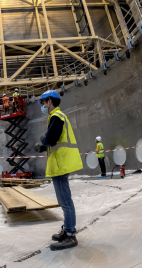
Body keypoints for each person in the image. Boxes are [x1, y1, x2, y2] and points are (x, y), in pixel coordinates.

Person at [34, 90, 83, 251]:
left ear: (50, 101)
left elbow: (51, 139)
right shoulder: (56, 116)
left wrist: (42, 143)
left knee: (65, 201)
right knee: (64, 200)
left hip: (61, 163)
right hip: (60, 163)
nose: (42, 106)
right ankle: (67, 229)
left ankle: (70, 234)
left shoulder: (57, 117)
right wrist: (44, 142)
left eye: (43, 102)